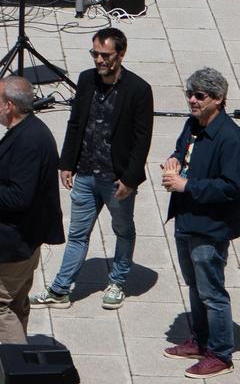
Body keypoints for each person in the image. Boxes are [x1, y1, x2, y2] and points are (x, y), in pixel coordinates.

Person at [32, 28, 154, 310]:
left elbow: (142, 139)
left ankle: (118, 281)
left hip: (116, 179)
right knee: (77, 233)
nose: (99, 60)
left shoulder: (138, 90)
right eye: (95, 54)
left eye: (105, 55)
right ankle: (60, 289)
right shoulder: (86, 80)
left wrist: (131, 179)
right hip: (86, 173)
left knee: (123, 230)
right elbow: (76, 123)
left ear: (120, 55)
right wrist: (66, 163)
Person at [0, 74, 63, 384]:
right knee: (16, 302)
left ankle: (21, 371)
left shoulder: (29, 141)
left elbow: (20, 197)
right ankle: (8, 363)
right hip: (24, 240)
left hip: (12, 244)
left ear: (9, 106)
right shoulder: (29, 130)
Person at [162, 67, 240, 379]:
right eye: (190, 94)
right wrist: (174, 160)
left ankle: (221, 353)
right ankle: (200, 340)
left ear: (219, 99)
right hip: (186, 220)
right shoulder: (193, 125)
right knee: (194, 285)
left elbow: (232, 187)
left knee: (212, 291)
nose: (193, 100)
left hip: (209, 228)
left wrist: (188, 187)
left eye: (200, 95)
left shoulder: (232, 140)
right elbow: (182, 151)